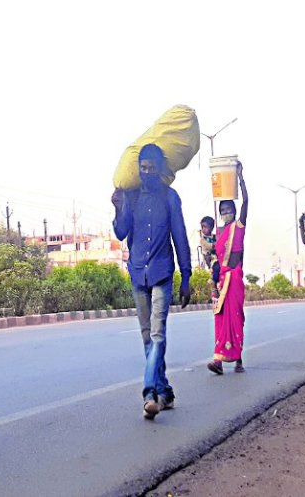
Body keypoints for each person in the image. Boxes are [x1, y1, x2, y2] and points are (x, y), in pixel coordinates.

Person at [112, 144, 191, 420]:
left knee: (157, 335)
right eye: (142, 168)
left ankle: (149, 393)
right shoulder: (131, 198)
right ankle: (164, 389)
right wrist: (118, 208)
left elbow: (180, 236)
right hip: (137, 273)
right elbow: (121, 232)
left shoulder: (170, 198)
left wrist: (186, 276)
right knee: (148, 337)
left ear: (159, 170)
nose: (146, 173)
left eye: (151, 169)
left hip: (162, 273)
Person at [207, 162, 248, 375]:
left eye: (228, 209)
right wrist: (213, 283)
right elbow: (214, 260)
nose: (225, 213)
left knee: (236, 318)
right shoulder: (220, 232)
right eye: (222, 210)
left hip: (235, 280)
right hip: (222, 281)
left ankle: (238, 357)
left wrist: (240, 178)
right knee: (220, 318)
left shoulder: (238, 226)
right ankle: (219, 360)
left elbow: (246, 202)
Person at [200, 216, 220, 299]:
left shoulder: (215, 236)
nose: (203, 229)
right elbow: (210, 247)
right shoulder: (203, 240)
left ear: (211, 227)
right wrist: (217, 244)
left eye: (205, 227)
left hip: (218, 257)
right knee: (216, 266)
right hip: (211, 259)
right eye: (202, 227)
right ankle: (213, 282)